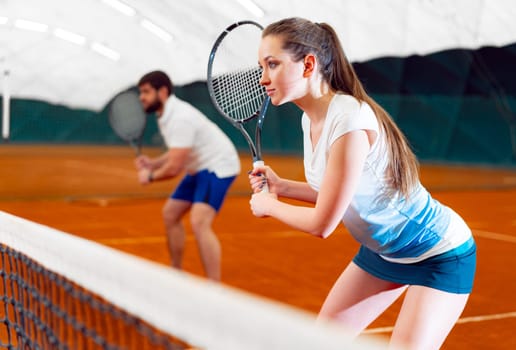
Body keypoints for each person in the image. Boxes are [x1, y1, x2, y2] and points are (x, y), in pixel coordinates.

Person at [248, 18, 476, 349]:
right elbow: (345, 194)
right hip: (382, 254)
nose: (263, 78)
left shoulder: (348, 119)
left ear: (308, 64)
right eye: (261, 66)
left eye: (273, 64)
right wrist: (283, 187)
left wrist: (269, 204)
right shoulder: (309, 118)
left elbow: (323, 224)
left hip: (438, 254)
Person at [136, 70, 240, 281]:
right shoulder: (166, 114)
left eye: (146, 92)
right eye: (141, 92)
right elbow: (178, 150)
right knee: (170, 214)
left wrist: (150, 176)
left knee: (199, 221)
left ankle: (214, 287)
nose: (141, 97)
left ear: (162, 92)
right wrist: (154, 163)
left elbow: (174, 168)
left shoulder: (180, 118)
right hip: (197, 167)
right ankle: (176, 273)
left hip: (218, 166)